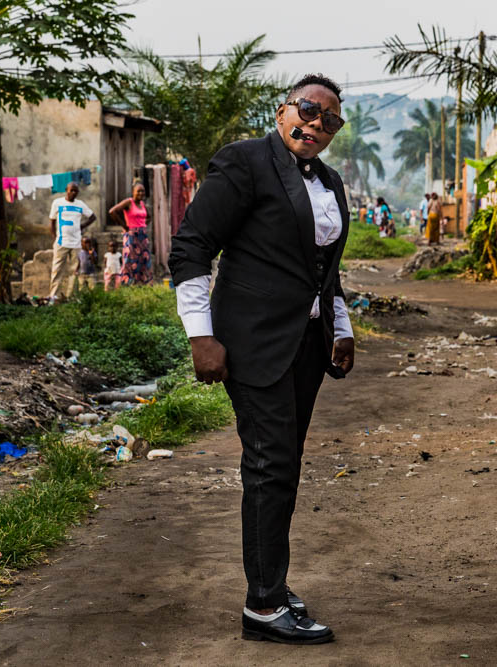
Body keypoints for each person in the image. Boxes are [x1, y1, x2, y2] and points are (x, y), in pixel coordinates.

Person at [170, 72, 353, 645]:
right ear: (283, 111)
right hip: (251, 344)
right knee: (270, 467)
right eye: (308, 109)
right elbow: (192, 246)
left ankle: (271, 582)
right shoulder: (245, 162)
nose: (317, 124)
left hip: (304, 347)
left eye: (330, 119)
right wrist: (201, 335)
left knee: (283, 469)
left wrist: (340, 327)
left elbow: (324, 270)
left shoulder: (328, 182)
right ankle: (263, 606)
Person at [48, 182, 96, 301]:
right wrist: (55, 238)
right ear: (66, 190)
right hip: (61, 243)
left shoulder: (80, 204)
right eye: (71, 190)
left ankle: (72, 296)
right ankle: (53, 296)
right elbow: (52, 222)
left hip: (76, 244)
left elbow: (93, 217)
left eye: (76, 191)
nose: (74, 193)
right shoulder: (57, 203)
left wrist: (82, 226)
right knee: (57, 270)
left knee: (76, 271)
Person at [108, 182, 154, 286]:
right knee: (130, 260)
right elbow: (112, 211)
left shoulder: (142, 204)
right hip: (131, 236)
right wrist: (125, 226)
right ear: (133, 192)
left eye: (142, 191)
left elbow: (149, 217)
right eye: (138, 191)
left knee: (143, 259)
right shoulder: (129, 202)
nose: (141, 193)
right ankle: (125, 283)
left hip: (142, 236)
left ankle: (141, 283)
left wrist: (143, 225)